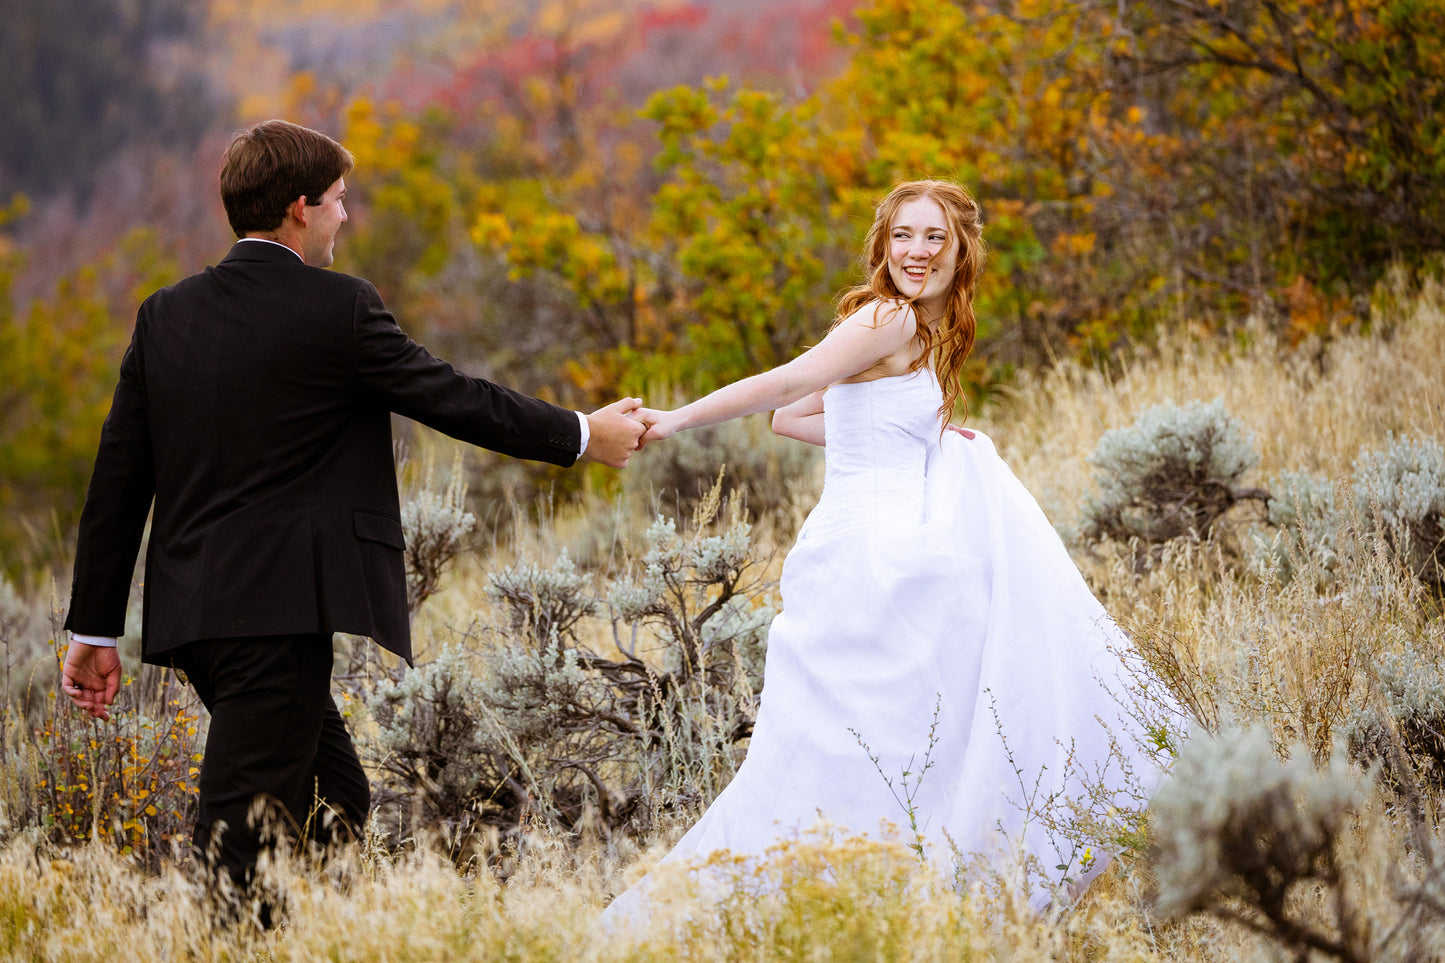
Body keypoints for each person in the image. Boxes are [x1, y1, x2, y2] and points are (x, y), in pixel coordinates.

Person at [58, 119, 647, 914]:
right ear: (299, 209)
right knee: (240, 847)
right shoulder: (336, 308)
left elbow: (117, 480)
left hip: (199, 618)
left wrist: (93, 629)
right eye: (339, 201)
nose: (347, 216)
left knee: (337, 794)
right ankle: (232, 938)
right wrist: (582, 434)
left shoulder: (166, 314)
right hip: (274, 617)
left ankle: (323, 934)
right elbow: (452, 396)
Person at [610, 179, 1154, 920]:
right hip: (870, 552)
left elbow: (794, 420)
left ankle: (861, 902)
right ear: (883, 244)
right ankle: (767, 900)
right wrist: (676, 420)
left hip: (886, 547)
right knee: (854, 739)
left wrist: (915, 435)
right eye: (903, 235)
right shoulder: (888, 317)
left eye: (934, 237)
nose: (917, 251)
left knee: (876, 738)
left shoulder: (924, 330)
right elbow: (792, 385)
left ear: (960, 249)